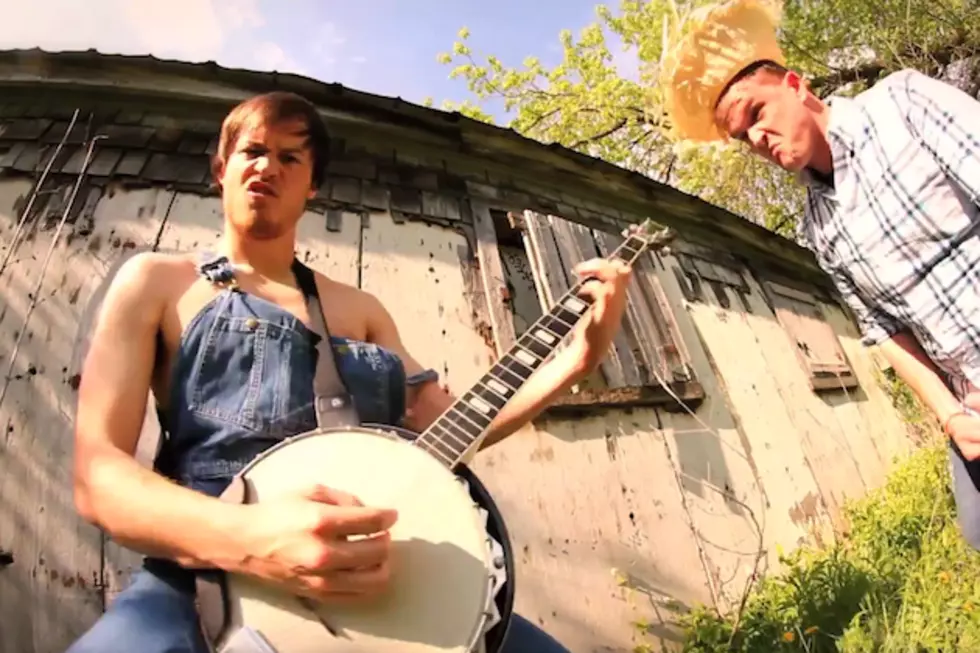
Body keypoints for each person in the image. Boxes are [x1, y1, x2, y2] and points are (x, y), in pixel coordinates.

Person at [67, 90, 634, 652]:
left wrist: (577, 361)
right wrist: (249, 536)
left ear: (312, 186)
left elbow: (460, 422)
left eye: (291, 157)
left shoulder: (361, 311)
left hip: (382, 567)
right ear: (222, 169)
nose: (268, 166)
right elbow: (100, 479)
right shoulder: (158, 282)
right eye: (253, 151)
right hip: (200, 577)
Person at [660, 0, 980, 547]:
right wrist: (952, 417)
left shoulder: (902, 104)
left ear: (796, 86)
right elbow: (886, 331)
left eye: (756, 114)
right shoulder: (820, 229)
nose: (755, 140)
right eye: (742, 137)